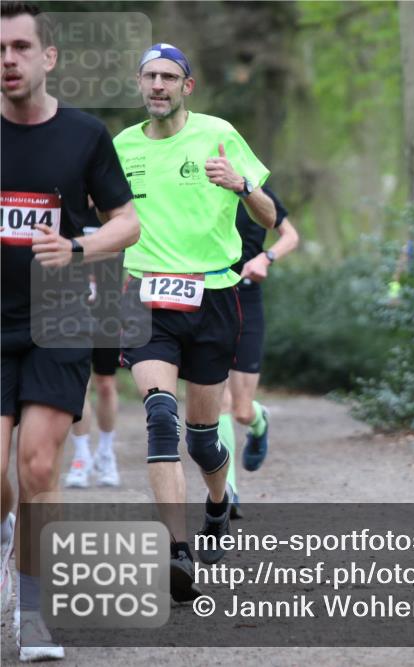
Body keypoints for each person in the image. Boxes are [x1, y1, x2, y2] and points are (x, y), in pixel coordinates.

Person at [1, 2, 139, 660]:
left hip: (58, 316)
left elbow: (127, 222)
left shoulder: (85, 134)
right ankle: (12, 534)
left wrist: (80, 249)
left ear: (48, 57)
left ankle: (32, 614)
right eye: (0, 49)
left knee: (35, 464)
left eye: (22, 47)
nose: (8, 59)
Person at [113, 43, 276, 602]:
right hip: (147, 299)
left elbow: (270, 216)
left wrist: (242, 185)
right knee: (162, 418)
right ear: (140, 85)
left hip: (214, 296)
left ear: (188, 86)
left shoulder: (218, 133)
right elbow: (104, 221)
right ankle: (177, 553)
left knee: (204, 440)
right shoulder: (121, 148)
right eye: (149, 77)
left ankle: (217, 502)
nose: (158, 85)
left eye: (169, 77)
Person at [217, 184, 298, 518]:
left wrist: (266, 257)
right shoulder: (197, 184)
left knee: (240, 410)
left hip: (247, 300)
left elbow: (290, 235)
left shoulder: (255, 190)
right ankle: (227, 490)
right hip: (210, 297)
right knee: (216, 400)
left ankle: (259, 421)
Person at [64, 209, 124, 489]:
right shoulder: (71, 205)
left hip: (108, 310)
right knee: (81, 384)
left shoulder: (113, 209)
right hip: (73, 308)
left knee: (105, 384)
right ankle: (81, 455)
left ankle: (106, 451)